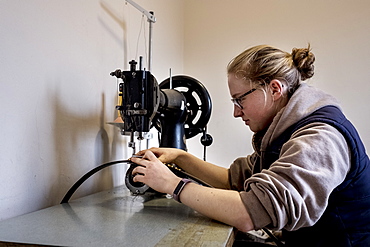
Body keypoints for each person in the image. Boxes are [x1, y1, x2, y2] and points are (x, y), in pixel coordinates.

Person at [130, 44, 370, 247]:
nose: (236, 112)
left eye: (240, 99)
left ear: (274, 89)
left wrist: (173, 184)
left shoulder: (319, 138)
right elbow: (235, 179)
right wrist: (180, 157)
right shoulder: (285, 130)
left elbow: (250, 212)